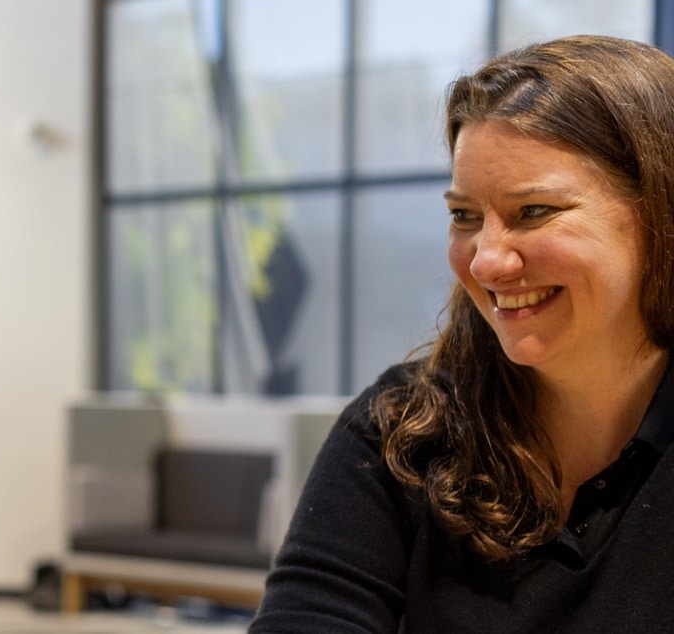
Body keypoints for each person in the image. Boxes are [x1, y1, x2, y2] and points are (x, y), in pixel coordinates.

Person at [254, 35, 674, 631]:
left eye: (534, 212)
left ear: (658, 211)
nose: (485, 261)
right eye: (464, 216)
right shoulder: (398, 433)